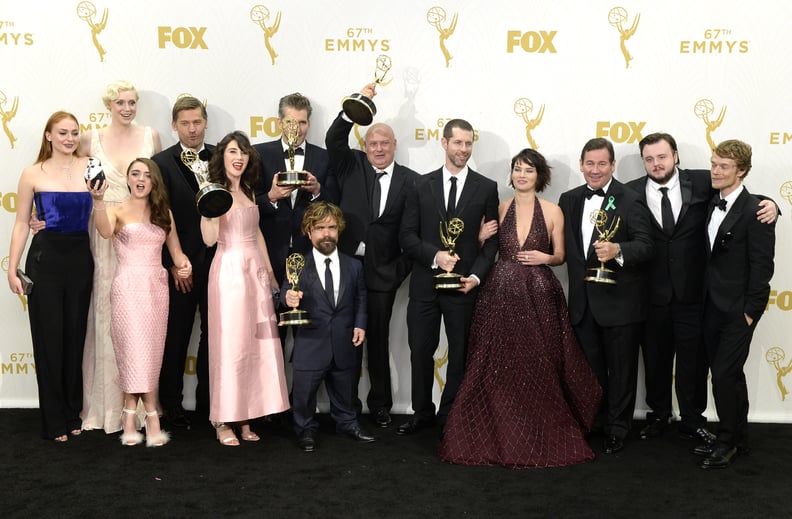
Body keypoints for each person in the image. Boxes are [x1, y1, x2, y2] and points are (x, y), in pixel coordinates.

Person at [439, 149, 601, 467]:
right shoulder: (499, 208)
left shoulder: (553, 210)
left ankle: (538, 427)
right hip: (499, 294)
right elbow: (479, 249)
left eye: (528, 170)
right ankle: (496, 428)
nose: (521, 175)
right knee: (497, 363)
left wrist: (546, 258)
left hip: (540, 294)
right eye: (517, 169)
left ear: (539, 175)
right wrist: (481, 237)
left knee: (540, 363)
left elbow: (561, 256)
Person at [626, 133, 777, 444]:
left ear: (676, 156)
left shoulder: (702, 181)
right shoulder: (630, 193)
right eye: (650, 159)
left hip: (695, 294)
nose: (657, 163)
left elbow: (740, 198)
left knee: (694, 363)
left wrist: (773, 204)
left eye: (662, 157)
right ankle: (658, 415)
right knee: (655, 360)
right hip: (651, 293)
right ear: (644, 162)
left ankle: (693, 419)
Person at [325, 83, 419, 428]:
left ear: (395, 146)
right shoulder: (351, 165)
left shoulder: (412, 182)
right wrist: (359, 103)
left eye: (385, 144)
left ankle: (380, 405)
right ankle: (344, 405)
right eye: (373, 143)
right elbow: (334, 139)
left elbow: (416, 235)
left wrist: (398, 271)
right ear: (365, 146)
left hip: (384, 274)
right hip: (346, 267)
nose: (379, 149)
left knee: (377, 342)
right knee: (344, 339)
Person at [398, 119, 499, 436]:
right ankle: (421, 412)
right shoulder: (419, 184)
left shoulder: (486, 187)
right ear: (444, 143)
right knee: (420, 351)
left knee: (459, 352)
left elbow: (492, 242)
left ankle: (450, 413)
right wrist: (435, 256)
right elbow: (407, 236)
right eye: (458, 143)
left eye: (469, 143)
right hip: (425, 284)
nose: (464, 149)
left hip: (463, 287)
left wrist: (476, 277)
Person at [557, 138, 654, 455]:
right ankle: (594, 422)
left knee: (622, 371)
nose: (595, 170)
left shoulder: (631, 198)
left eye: (602, 164)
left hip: (620, 303)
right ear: (581, 164)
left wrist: (618, 250)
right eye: (589, 163)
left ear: (613, 165)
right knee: (591, 371)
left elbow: (646, 245)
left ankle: (617, 428)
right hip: (583, 304)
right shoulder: (568, 199)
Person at [89, 158, 191, 447]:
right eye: (135, 173)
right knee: (132, 350)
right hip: (127, 288)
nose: (141, 178)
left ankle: (130, 415)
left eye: (147, 174)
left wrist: (184, 266)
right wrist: (97, 200)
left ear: (154, 180)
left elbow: (177, 253)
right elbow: (105, 232)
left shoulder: (163, 213)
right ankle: (148, 415)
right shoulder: (116, 210)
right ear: (128, 179)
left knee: (151, 352)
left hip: (156, 289)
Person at [79, 80, 162, 433]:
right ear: (108, 105)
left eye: (132, 102)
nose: (127, 108)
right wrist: (43, 215)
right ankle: (106, 408)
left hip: (141, 236)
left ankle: (144, 412)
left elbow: (158, 182)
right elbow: (68, 176)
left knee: (144, 326)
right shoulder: (88, 139)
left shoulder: (151, 136)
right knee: (105, 319)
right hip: (104, 231)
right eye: (120, 102)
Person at [7, 112, 94, 442]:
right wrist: (12, 268)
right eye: (62, 133)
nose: (69, 138)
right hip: (45, 260)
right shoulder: (32, 173)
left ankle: (73, 412)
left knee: (74, 340)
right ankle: (53, 420)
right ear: (48, 136)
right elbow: (19, 224)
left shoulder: (91, 166)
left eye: (74, 132)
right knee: (49, 342)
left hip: (81, 259)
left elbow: (103, 208)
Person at [200, 131, 289, 446]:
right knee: (229, 346)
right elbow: (209, 240)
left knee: (254, 347)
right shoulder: (213, 191)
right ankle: (222, 419)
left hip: (255, 274)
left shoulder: (250, 190)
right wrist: (208, 205)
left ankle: (246, 415)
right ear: (222, 156)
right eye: (233, 151)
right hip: (229, 275)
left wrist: (270, 274)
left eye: (244, 153)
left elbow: (258, 234)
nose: (239, 158)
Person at [695, 139, 775, 469]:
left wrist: (749, 313)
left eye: (724, 166)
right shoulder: (709, 199)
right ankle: (738, 437)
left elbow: (762, 266)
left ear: (741, 171)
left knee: (724, 375)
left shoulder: (757, 209)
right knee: (730, 374)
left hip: (738, 310)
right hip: (709, 306)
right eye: (714, 163)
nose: (715, 170)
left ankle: (726, 440)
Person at [283, 202, 375, 452]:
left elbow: (361, 297)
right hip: (311, 342)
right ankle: (305, 429)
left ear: (339, 230)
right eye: (320, 227)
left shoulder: (354, 265)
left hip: (344, 339)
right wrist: (288, 299)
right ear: (308, 231)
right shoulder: (298, 265)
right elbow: (284, 294)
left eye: (332, 227)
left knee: (345, 391)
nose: (327, 233)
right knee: (303, 395)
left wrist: (360, 324)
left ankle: (347, 423)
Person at [152, 95, 214, 428]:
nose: (192, 129)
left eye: (197, 122)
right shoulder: (160, 162)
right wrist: (175, 261)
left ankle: (209, 404)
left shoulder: (223, 156)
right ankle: (171, 405)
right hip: (180, 265)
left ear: (206, 123)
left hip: (218, 262)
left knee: (213, 336)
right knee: (175, 336)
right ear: (174, 126)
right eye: (185, 123)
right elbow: (159, 214)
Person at [254, 92, 338, 289]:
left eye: (302, 122)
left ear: (308, 124)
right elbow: (246, 206)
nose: (296, 129)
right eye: (291, 122)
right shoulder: (258, 154)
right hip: (268, 253)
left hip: (311, 253)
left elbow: (335, 205)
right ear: (279, 123)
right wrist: (271, 197)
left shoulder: (324, 158)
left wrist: (317, 190)